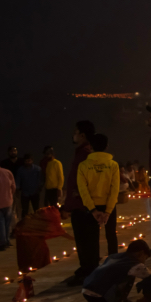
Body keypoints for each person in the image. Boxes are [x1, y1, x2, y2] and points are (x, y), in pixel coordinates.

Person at [79, 239, 151, 302]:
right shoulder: (135, 265)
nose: (144, 262)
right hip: (100, 294)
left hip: (87, 289)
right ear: (141, 253)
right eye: (145, 258)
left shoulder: (114, 256)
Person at [76, 133, 121, 271]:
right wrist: (108, 211)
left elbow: (83, 190)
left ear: (90, 147)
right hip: (109, 205)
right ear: (107, 146)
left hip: (91, 207)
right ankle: (114, 265)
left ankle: (94, 268)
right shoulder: (113, 165)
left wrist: (93, 210)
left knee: (92, 238)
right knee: (111, 235)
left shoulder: (83, 166)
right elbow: (114, 190)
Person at [64, 120, 96, 284]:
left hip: (82, 204)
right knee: (83, 240)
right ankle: (86, 268)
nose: (73, 135)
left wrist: (81, 192)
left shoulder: (85, 153)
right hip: (79, 203)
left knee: (85, 240)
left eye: (75, 132)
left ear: (82, 135)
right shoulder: (83, 152)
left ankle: (88, 270)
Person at [15, 153, 44, 220]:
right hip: (25, 193)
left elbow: (41, 180)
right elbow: (18, 181)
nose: (28, 162)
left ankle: (37, 223)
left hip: (35, 192)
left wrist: (39, 188)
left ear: (32, 160)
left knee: (36, 210)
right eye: (26, 161)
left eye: (29, 161)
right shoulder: (21, 170)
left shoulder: (37, 169)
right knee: (24, 210)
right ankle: (24, 223)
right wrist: (17, 190)